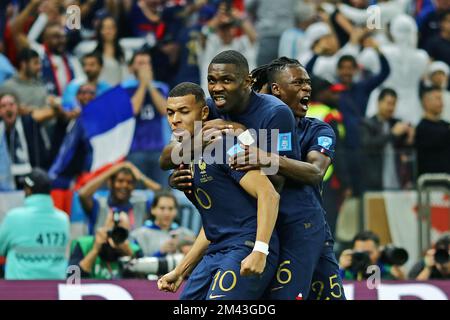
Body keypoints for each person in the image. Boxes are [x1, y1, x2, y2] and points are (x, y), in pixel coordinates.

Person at [160, 50, 326, 300]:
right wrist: (184, 173)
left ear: (247, 82)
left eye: (226, 80)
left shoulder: (274, 112)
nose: (216, 88)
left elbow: (275, 184)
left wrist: (242, 135)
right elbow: (167, 159)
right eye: (212, 80)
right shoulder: (210, 110)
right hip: (236, 234)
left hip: (294, 223)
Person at [231, 57, 345, 300]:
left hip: (305, 229)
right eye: (298, 82)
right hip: (265, 230)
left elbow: (315, 172)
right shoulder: (249, 129)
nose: (307, 88)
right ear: (276, 89)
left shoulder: (318, 129)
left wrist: (267, 158)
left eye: (308, 83)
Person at [158, 82, 280, 300]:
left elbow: (269, 194)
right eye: (170, 112)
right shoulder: (187, 158)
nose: (175, 119)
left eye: (184, 111)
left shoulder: (224, 145)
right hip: (215, 250)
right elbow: (214, 224)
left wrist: (260, 251)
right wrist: (180, 271)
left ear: (204, 112)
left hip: (245, 246)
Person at [0, 168, 70, 279]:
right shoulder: (64, 219)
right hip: (54, 291)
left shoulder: (14, 217)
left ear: (28, 190)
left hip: (18, 292)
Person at [121, 50, 170, 186]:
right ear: (131, 68)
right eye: (140, 63)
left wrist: (149, 85)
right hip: (135, 150)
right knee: (136, 193)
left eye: (147, 63)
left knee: (162, 191)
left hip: (158, 149)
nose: (144, 67)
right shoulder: (125, 89)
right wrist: (143, 84)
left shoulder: (161, 87)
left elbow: (165, 110)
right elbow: (132, 110)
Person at [78, 161, 161, 234]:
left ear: (134, 185)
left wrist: (140, 176)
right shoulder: (99, 205)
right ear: (110, 183)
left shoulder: (141, 204)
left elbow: (162, 194)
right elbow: (83, 194)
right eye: (120, 181)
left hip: (132, 251)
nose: (124, 185)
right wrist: (111, 171)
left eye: (130, 182)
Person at [360, 88, 414, 191]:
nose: (391, 108)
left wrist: (410, 138)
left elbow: (406, 150)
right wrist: (392, 134)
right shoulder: (367, 124)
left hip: (397, 179)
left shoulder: (396, 123)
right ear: (379, 103)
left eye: (394, 104)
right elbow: (368, 145)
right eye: (388, 103)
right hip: (375, 181)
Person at [198, 1, 257, 92]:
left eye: (230, 27)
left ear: (234, 28)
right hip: (212, 98)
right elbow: (203, 35)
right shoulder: (211, 43)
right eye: (223, 28)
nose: (226, 31)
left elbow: (253, 38)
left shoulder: (242, 43)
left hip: (240, 98)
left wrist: (239, 17)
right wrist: (219, 17)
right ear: (217, 29)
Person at [0, 92, 58, 186]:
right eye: (3, 106)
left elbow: (53, 112)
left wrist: (30, 110)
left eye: (11, 104)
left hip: (31, 175)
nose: (8, 108)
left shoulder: (29, 122)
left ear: (18, 108)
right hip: (6, 181)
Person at [68, 211, 142, 279]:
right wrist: (95, 250)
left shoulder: (134, 249)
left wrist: (130, 255)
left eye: (121, 233)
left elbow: (144, 282)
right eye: (113, 231)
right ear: (104, 227)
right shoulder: (84, 244)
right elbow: (72, 278)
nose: (116, 236)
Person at [130, 190, 195, 258]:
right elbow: (135, 262)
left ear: (176, 211)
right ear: (153, 209)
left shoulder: (186, 234)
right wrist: (161, 252)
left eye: (170, 208)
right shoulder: (139, 235)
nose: (166, 213)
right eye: (162, 208)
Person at [339, 231, 406, 280]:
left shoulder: (387, 270)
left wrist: (400, 279)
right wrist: (340, 268)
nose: (365, 256)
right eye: (360, 253)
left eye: (368, 253)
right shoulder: (347, 271)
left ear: (378, 252)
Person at [415, 86, 450, 176]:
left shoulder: (445, 125)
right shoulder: (422, 128)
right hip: (430, 183)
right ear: (426, 101)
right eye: (437, 99)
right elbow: (441, 136)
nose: (441, 103)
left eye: (441, 99)